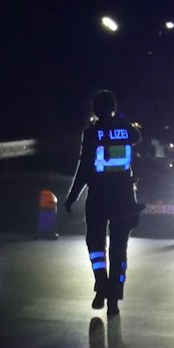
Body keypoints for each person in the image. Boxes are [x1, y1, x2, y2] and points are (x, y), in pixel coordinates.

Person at [62, 89, 142, 315]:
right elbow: (137, 137)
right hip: (124, 199)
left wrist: (72, 197)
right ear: (114, 107)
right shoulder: (126, 131)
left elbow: (84, 168)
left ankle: (101, 285)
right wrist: (120, 118)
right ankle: (114, 299)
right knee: (119, 250)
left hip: (98, 197)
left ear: (95, 109)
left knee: (96, 246)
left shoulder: (91, 133)